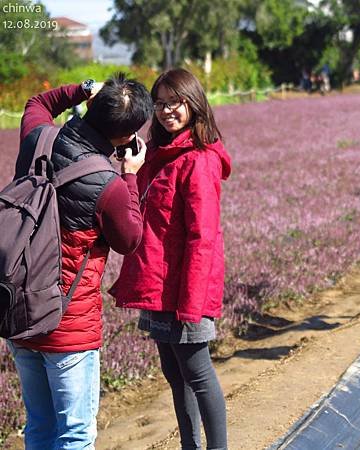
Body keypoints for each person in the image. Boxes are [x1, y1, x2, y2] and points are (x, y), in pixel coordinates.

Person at [8, 74, 152, 449]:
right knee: (75, 433)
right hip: (68, 323)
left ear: (92, 105)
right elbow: (130, 239)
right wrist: (131, 176)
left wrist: (81, 89)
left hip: (18, 308)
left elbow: (37, 104)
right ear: (126, 137)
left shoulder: (38, 139)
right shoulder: (110, 185)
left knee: (39, 425)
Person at [110, 68, 231, 450]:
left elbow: (203, 237)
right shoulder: (159, 156)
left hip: (184, 292)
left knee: (197, 373)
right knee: (175, 375)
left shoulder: (199, 160)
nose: (166, 111)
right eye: (159, 104)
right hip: (158, 285)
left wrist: (191, 305)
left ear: (193, 104)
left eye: (174, 102)